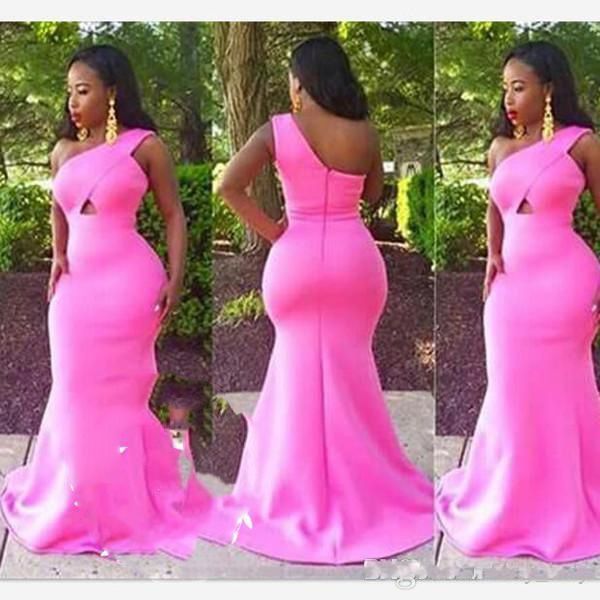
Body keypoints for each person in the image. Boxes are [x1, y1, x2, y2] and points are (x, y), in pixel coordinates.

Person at [195, 36, 433, 565]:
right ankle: (364, 489)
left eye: (291, 82)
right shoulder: (365, 131)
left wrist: (276, 231)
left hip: (296, 261)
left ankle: (289, 489)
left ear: (301, 84)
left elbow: (229, 187)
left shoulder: (277, 129)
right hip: (354, 261)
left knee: (295, 374)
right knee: (351, 371)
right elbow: (372, 194)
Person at [0, 44, 208, 559]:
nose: (72, 102)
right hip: (74, 291)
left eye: (83, 90)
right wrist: (58, 253)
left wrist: (176, 278)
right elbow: (59, 206)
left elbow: (173, 215)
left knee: (120, 397)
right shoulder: (62, 150)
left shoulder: (145, 146)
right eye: (69, 92)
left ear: (111, 94)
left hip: (131, 287)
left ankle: (122, 506)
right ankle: (70, 502)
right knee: (73, 388)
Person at [436, 40, 600, 563]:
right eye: (504, 88)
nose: (508, 98)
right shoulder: (499, 147)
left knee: (564, 391)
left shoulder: (583, 144)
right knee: (509, 389)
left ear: (548, 90)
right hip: (510, 289)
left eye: (519, 87)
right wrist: (492, 251)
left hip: (567, 285)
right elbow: (495, 204)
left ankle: (564, 501)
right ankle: (507, 499)